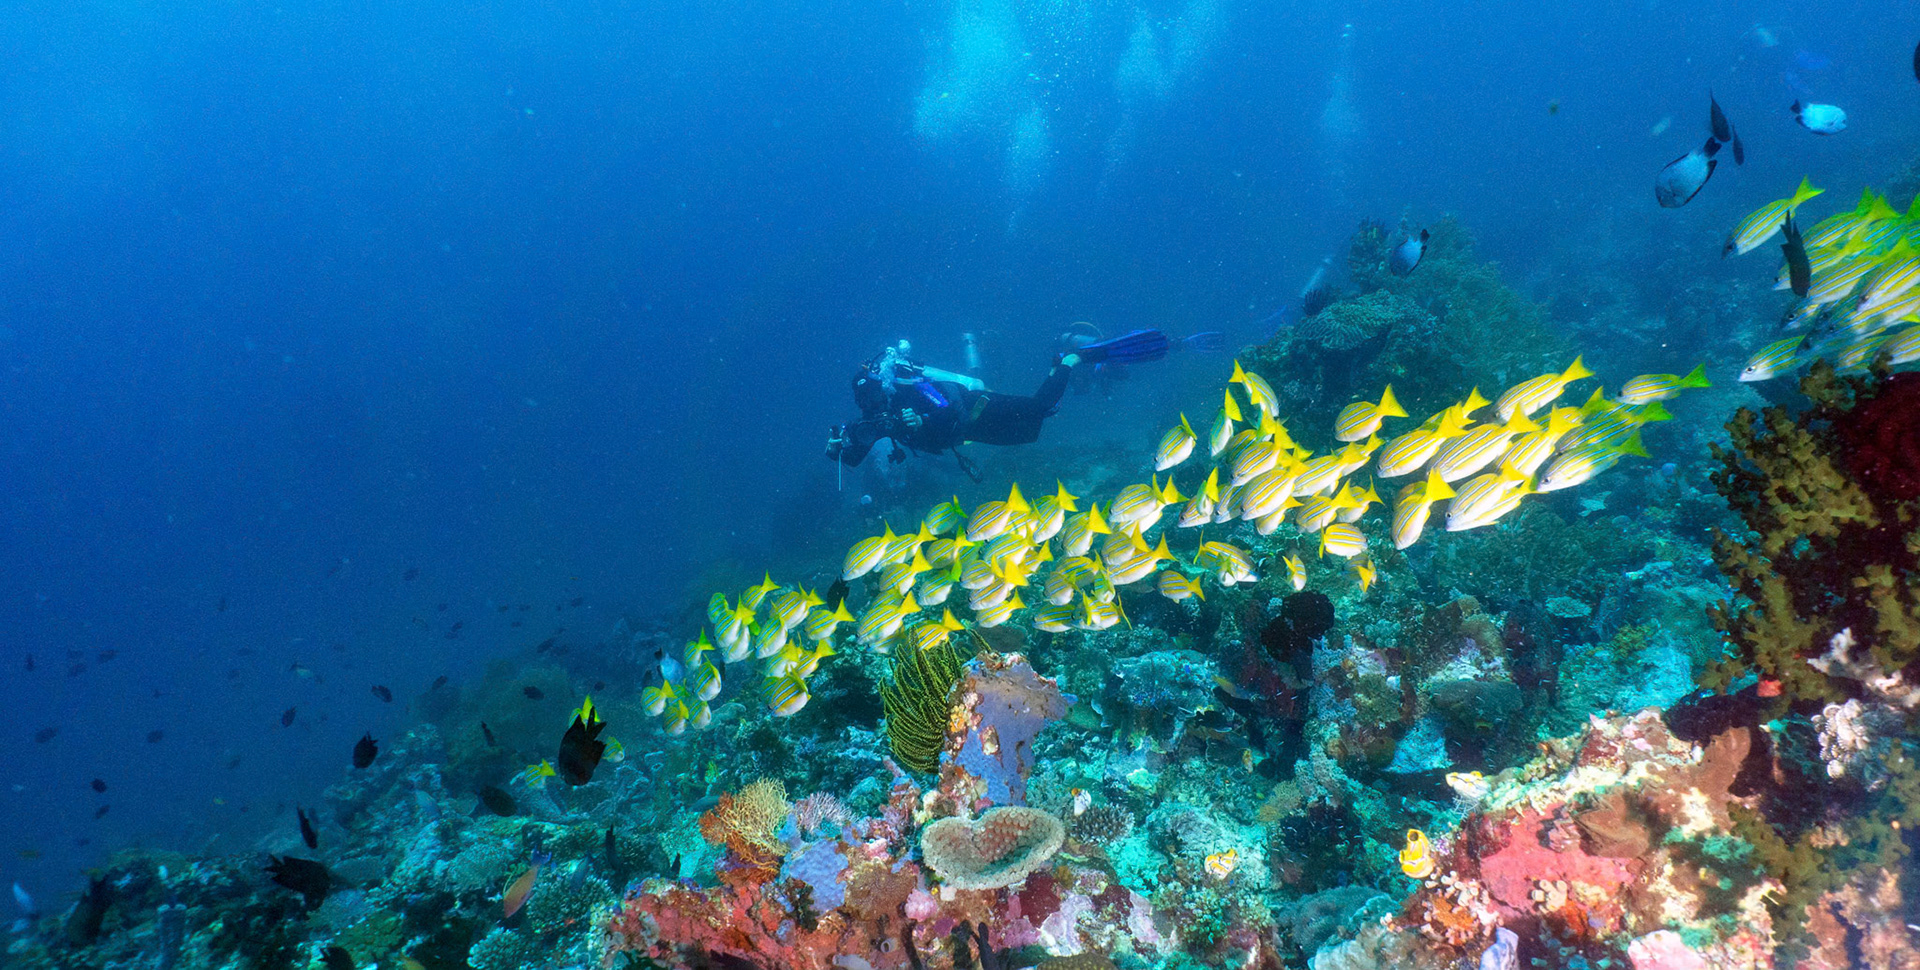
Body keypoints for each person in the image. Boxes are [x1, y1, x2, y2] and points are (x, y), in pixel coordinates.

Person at [826, 331, 1169, 470]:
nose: (869, 403)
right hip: (967, 435)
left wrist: (924, 421)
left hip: (975, 406)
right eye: (862, 399)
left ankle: (1072, 359)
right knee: (1031, 431)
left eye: (870, 394)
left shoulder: (910, 390)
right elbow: (855, 456)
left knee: (1042, 408)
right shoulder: (871, 419)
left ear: (879, 385)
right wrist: (838, 450)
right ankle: (1057, 372)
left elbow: (944, 404)